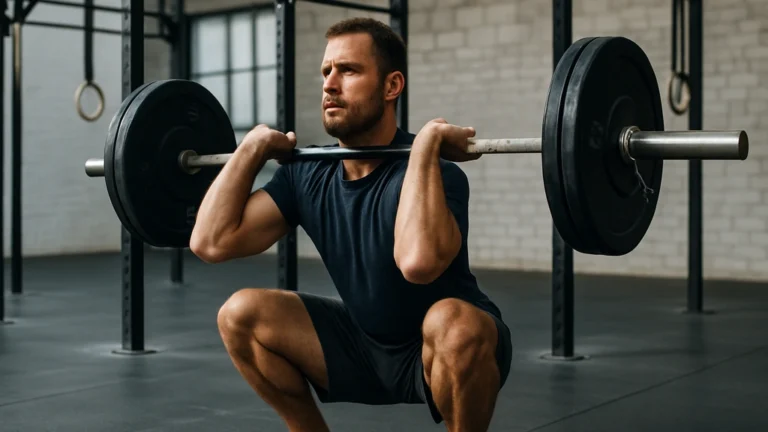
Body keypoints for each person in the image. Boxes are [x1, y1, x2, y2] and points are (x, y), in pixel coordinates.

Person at [189, 17, 513, 432]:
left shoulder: (438, 176)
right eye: (326, 71)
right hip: (362, 346)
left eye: (349, 70)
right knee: (240, 314)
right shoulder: (306, 175)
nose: (330, 84)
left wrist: (426, 143)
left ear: (391, 86)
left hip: (444, 352)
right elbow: (210, 242)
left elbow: (417, 264)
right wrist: (250, 149)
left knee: (454, 323)